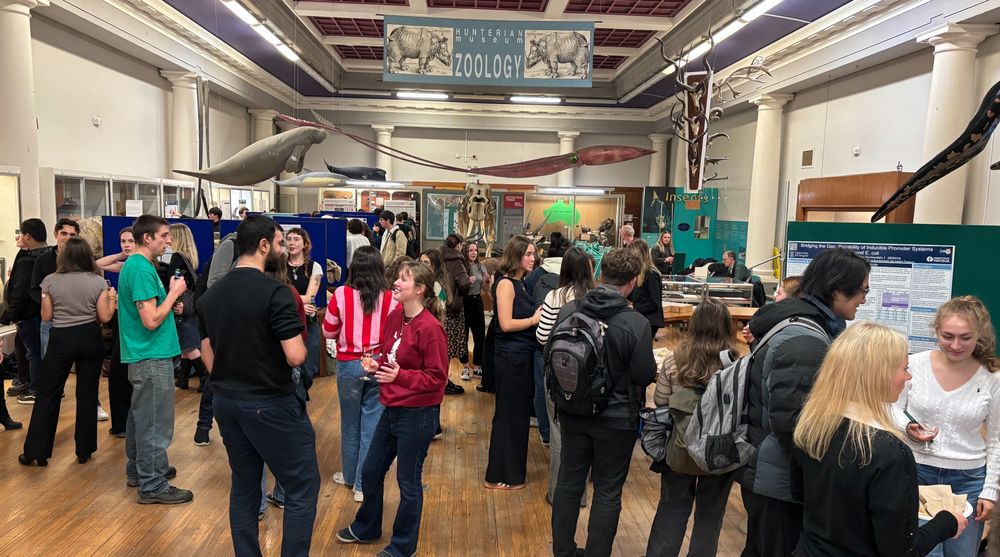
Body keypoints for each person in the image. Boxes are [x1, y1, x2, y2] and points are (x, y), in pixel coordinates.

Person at [197, 215, 318, 556]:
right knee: (302, 485)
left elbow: (206, 347)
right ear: (264, 245)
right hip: (270, 402)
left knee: (245, 485)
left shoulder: (212, 294)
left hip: (227, 403)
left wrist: (226, 377)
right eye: (280, 243)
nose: (283, 248)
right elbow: (295, 356)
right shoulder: (276, 292)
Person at [792, 322, 965, 555]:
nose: (909, 376)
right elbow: (901, 550)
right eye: (904, 368)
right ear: (877, 375)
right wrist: (947, 522)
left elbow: (799, 494)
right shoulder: (889, 452)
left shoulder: (812, 425)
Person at [741, 247, 870, 556]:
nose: (865, 299)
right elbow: (793, 424)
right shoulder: (806, 340)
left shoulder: (806, 326)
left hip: (772, 471)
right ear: (838, 290)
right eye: (862, 291)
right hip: (780, 479)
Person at [335, 261, 448, 557]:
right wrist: (377, 366)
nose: (396, 283)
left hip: (418, 414)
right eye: (397, 278)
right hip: (392, 408)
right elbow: (390, 357)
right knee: (371, 471)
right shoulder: (396, 316)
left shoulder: (431, 329)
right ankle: (367, 527)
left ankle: (402, 547)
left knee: (408, 482)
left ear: (420, 290)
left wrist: (400, 376)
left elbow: (437, 379)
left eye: (403, 279)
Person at [550, 247, 657, 557]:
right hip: (616, 419)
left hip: (572, 408)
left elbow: (551, 354)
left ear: (601, 275)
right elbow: (643, 374)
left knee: (570, 483)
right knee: (608, 491)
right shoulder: (635, 323)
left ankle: (563, 551)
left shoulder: (570, 309)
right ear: (634, 281)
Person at [892, 296, 1000, 556]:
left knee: (961, 553)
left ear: (980, 335)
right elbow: (892, 407)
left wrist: (991, 490)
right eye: (947, 336)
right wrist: (909, 427)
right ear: (936, 332)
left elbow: (997, 438)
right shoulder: (914, 364)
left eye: (965, 337)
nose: (955, 345)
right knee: (921, 551)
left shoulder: (992, 377)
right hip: (917, 472)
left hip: (969, 481)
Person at [645, 298, 739, 557]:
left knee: (671, 510)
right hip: (719, 452)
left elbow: (661, 401)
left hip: (680, 446)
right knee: (710, 516)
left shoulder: (674, 361)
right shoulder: (735, 365)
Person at [18, 238, 115, 466]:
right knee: (87, 394)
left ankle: (36, 452)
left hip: (61, 339)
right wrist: (111, 298)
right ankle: (84, 449)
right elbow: (105, 317)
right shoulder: (97, 281)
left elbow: (46, 316)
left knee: (48, 394)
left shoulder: (50, 281)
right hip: (90, 338)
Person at [118, 214, 191, 504]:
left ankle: (142, 470)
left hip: (146, 353)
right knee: (154, 422)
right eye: (163, 235)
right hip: (150, 354)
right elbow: (150, 320)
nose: (169, 240)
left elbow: (148, 312)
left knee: (141, 417)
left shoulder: (139, 266)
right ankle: (152, 484)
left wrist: (170, 303)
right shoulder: (140, 269)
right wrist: (173, 294)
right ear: (147, 237)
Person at [325, 245, 399, 504]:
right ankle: (361, 484)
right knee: (371, 427)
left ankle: (348, 475)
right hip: (378, 364)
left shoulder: (341, 295)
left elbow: (328, 331)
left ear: (353, 268)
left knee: (349, 423)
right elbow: (394, 336)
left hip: (348, 364)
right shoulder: (391, 299)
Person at [535, 247, 596, 505]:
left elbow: (541, 336)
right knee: (584, 434)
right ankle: (580, 494)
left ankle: (557, 492)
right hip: (591, 376)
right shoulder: (596, 298)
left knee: (559, 433)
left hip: (559, 373)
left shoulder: (555, 296)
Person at [484, 235, 543, 490]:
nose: (533, 258)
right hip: (511, 359)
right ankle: (500, 474)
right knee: (508, 417)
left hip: (521, 357)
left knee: (517, 417)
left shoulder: (522, 283)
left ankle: (510, 472)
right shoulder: (506, 284)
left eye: (533, 254)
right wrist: (534, 319)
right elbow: (506, 324)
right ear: (517, 255)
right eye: (528, 254)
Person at [1, 219, 51, 404]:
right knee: (31, 349)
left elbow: (21, 291)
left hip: (30, 315)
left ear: (28, 236)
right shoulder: (47, 255)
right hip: (39, 313)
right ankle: (31, 383)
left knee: (34, 351)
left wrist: (9, 314)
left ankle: (36, 388)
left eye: (22, 234)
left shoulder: (29, 261)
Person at [28, 218, 79, 394]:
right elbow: (34, 289)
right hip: (51, 319)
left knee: (80, 362)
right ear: (56, 234)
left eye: (72, 234)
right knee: (48, 359)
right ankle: (52, 392)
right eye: (64, 233)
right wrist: (47, 303)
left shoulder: (81, 259)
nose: (67, 237)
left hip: (77, 318)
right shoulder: (43, 260)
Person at [96, 227, 136, 437]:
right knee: (119, 371)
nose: (126, 244)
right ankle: (121, 423)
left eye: (130, 241)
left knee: (124, 371)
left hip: (132, 322)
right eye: (123, 241)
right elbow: (98, 264)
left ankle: (127, 422)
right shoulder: (127, 263)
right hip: (121, 320)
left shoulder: (137, 266)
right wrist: (122, 253)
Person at [167, 224, 207, 392]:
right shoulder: (189, 258)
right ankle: (183, 378)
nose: (166, 239)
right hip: (191, 304)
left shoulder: (176, 257)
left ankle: (205, 377)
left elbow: (173, 282)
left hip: (181, 305)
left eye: (169, 235)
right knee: (186, 344)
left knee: (188, 346)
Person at [419, 249, 464, 396]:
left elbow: (437, 313)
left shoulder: (436, 286)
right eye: (420, 262)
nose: (422, 265)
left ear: (435, 265)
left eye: (426, 262)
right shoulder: (425, 283)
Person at [285, 227, 323, 393]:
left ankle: (301, 392)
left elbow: (310, 298)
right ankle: (294, 398)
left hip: (308, 321)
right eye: (289, 239)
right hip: (285, 319)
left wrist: (286, 299)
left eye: (296, 239)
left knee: (309, 366)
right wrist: (297, 302)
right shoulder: (277, 266)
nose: (292, 243)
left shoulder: (315, 267)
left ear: (305, 244)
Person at [459, 241, 490, 380]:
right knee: (463, 336)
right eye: (470, 250)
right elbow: (458, 287)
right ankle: (465, 367)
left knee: (479, 336)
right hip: (464, 302)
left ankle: (477, 366)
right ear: (466, 252)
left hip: (477, 301)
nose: (473, 253)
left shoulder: (480, 266)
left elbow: (485, 290)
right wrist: (467, 283)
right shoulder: (461, 266)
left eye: (475, 250)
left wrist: (486, 281)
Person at [441, 234, 472, 371]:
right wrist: (469, 282)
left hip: (440, 306)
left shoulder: (439, 258)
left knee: (441, 345)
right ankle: (445, 382)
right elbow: (464, 283)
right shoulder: (457, 261)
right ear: (458, 245)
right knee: (449, 347)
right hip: (453, 307)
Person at [742, 275, 801, 344]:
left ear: (790, 299)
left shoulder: (776, 323)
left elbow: (766, 352)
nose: (774, 296)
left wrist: (753, 341)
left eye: (779, 293)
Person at [626, 239, 665, 338]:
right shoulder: (639, 273)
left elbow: (654, 303)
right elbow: (637, 296)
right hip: (641, 317)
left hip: (650, 321)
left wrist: (634, 307)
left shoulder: (652, 274)